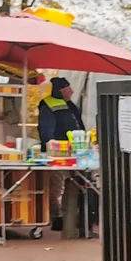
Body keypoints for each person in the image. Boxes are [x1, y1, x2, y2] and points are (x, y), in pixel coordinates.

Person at [37, 77, 84, 231]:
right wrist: (52, 149)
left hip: (74, 151)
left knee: (76, 183)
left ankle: (75, 217)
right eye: (69, 88)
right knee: (56, 186)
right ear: (62, 90)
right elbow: (46, 131)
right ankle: (56, 217)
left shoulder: (70, 105)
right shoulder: (48, 105)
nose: (72, 91)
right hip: (56, 153)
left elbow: (79, 125)